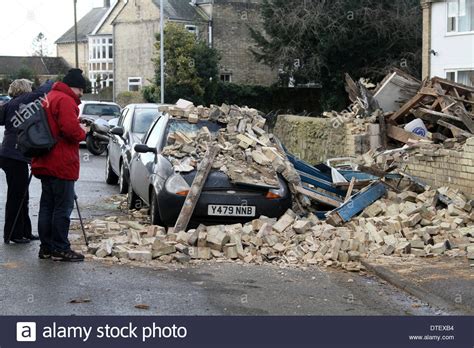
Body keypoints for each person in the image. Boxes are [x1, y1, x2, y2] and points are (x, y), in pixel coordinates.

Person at [32, 69, 88, 262]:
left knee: (47, 206)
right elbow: (71, 131)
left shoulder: (49, 97)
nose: (81, 94)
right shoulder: (65, 100)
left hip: (44, 160)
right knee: (62, 208)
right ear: (76, 87)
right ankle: (60, 248)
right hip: (61, 162)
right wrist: (84, 132)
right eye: (82, 90)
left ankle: (46, 248)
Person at [0, 79, 53, 244]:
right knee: (17, 196)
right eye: (30, 86)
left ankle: (24, 231)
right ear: (25, 89)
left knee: (22, 194)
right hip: (15, 155)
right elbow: (42, 92)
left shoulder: (9, 104)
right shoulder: (25, 99)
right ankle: (13, 234)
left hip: (8, 153)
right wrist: (51, 82)